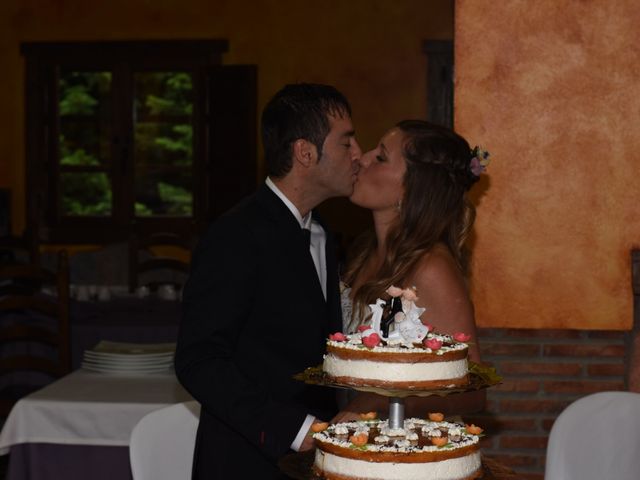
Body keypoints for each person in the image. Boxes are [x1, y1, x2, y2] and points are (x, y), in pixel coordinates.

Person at [174, 83, 361, 479]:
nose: (358, 154)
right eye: (347, 142)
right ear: (305, 152)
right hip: (246, 459)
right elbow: (199, 360)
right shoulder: (237, 235)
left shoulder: (323, 233)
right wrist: (295, 430)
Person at [336, 119, 488, 419]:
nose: (361, 158)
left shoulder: (430, 268)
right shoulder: (364, 254)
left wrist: (379, 403)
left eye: (380, 158)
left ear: (412, 189)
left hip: (411, 451)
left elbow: (473, 391)